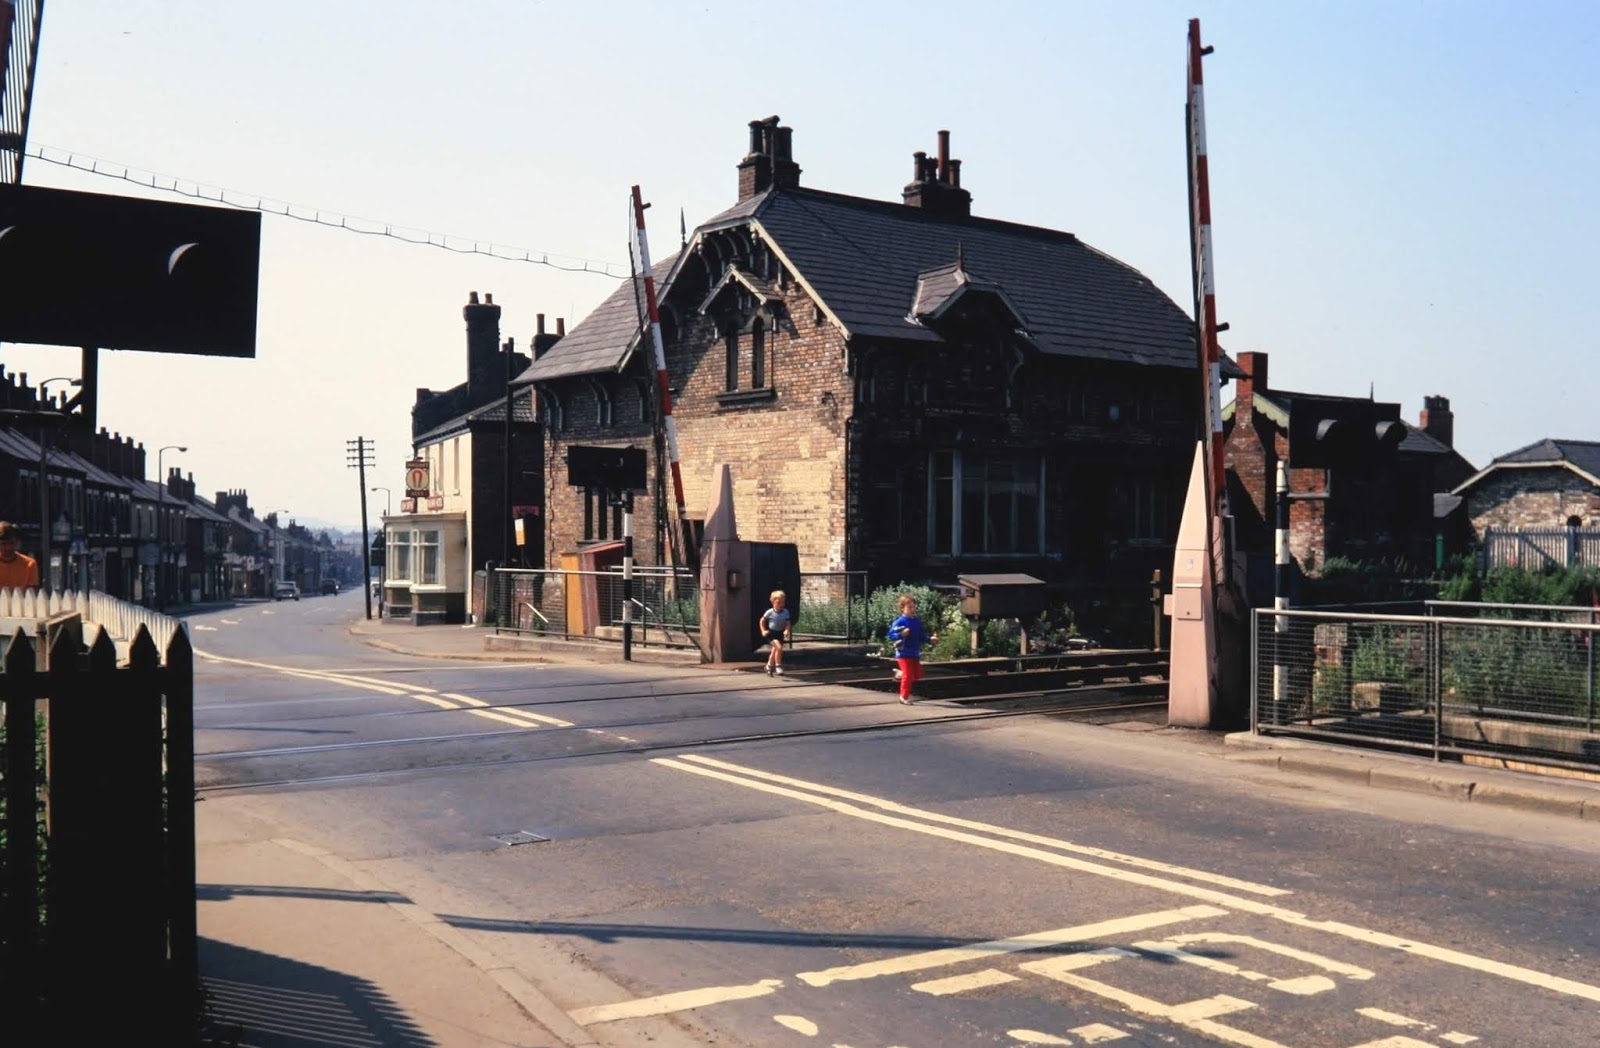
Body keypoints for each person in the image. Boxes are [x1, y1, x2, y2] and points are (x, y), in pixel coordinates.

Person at [887, 593, 937, 704]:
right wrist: (901, 635)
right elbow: (891, 634)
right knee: (908, 675)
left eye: (913, 607)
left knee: (917, 674)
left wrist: (930, 639)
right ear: (902, 609)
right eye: (909, 607)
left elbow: (920, 636)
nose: (912, 609)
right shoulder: (900, 621)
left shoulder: (916, 621)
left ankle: (900, 674)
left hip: (914, 652)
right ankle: (903, 697)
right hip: (903, 652)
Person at [759, 589, 793, 676]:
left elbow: (788, 623)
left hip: (780, 633)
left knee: (774, 651)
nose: (781, 605)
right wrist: (763, 630)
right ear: (773, 602)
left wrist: (786, 630)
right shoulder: (770, 612)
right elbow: (762, 620)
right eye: (779, 603)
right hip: (772, 634)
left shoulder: (786, 612)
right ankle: (778, 665)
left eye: (783, 602)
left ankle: (769, 665)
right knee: (779, 648)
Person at [0, 520, 40, 591]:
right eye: (4, 544)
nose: (8, 547)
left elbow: (32, 595)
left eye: (12, 543)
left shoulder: (29, 564)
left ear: (17, 543)